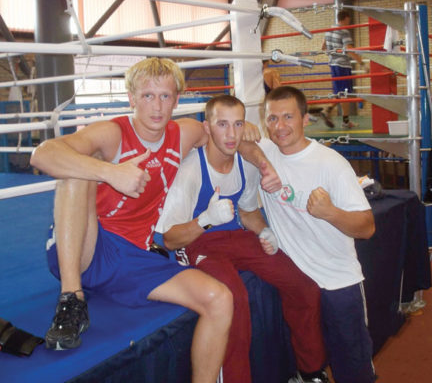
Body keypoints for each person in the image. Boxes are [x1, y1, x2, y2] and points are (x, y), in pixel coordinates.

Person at [30, 58, 280, 383]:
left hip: (135, 256)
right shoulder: (112, 133)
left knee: (219, 298)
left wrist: (262, 162)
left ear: (176, 100)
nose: (157, 106)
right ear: (132, 98)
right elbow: (43, 154)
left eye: (165, 96)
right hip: (87, 246)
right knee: (76, 172)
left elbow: (229, 139)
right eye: (147, 96)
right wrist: (110, 172)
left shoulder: (185, 132)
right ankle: (71, 298)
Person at [155, 94, 328, 383]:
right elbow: (170, 239)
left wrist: (264, 231)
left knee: (303, 286)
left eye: (237, 124)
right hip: (196, 242)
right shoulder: (191, 170)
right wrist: (205, 220)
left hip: (235, 236)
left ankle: (310, 372)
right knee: (234, 300)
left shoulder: (245, 164)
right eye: (222, 124)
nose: (231, 134)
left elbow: (247, 212)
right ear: (207, 128)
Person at [259, 86, 377, 383]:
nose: (280, 126)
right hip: (298, 283)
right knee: (310, 368)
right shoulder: (266, 152)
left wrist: (330, 212)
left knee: (353, 369)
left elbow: (367, 227)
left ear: (305, 119)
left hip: (338, 282)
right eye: (272, 118)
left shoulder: (331, 163)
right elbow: (238, 142)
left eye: (288, 117)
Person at [321, 10, 368, 129]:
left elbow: (323, 47)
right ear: (346, 18)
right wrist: (362, 64)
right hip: (343, 66)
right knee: (344, 95)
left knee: (339, 93)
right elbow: (349, 49)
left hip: (333, 65)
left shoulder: (329, 30)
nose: (349, 22)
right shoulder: (344, 31)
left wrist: (333, 54)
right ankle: (345, 122)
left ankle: (327, 110)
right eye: (349, 20)